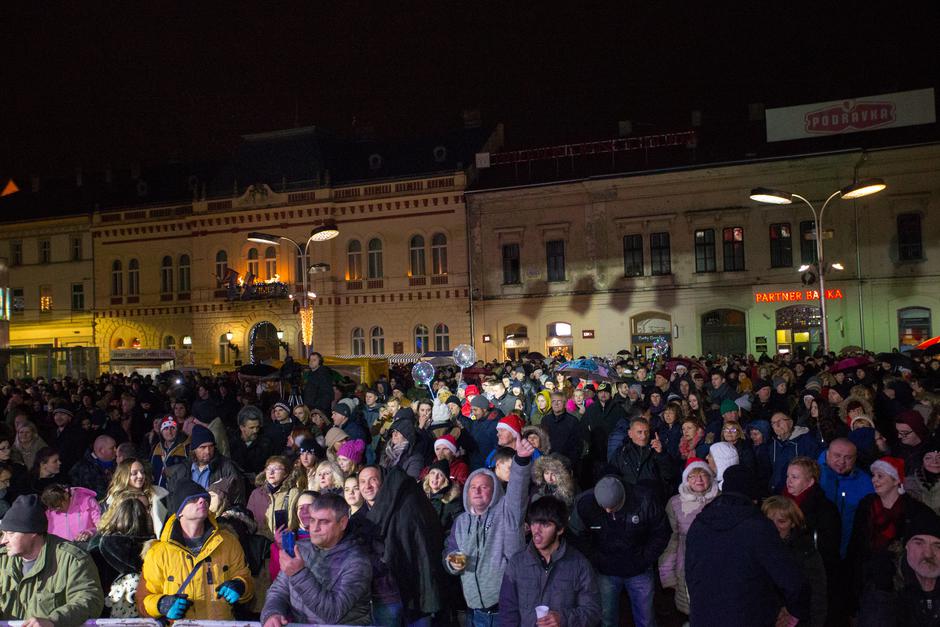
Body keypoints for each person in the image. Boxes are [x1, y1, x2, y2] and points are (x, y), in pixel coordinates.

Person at [686, 465, 809, 627]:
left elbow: (691, 574)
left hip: (704, 616)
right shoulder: (759, 527)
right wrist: (794, 612)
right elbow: (791, 580)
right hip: (749, 617)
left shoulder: (699, 524)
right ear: (754, 497)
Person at [444, 437, 535, 627]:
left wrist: (521, 461)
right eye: (473, 488)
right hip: (475, 612)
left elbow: (518, 489)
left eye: (484, 487)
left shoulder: (507, 512)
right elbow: (450, 552)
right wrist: (452, 562)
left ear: (494, 491)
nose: (477, 491)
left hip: (506, 611)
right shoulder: (460, 522)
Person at [139, 480, 254, 620]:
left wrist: (241, 585)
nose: (202, 501)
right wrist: (161, 604)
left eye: (205, 498)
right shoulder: (158, 552)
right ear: (179, 511)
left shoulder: (228, 542)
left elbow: (247, 581)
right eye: (193, 499)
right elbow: (145, 599)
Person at [569, 475, 669, 627]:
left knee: (646, 618)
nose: (609, 511)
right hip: (605, 571)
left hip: (639, 570)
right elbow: (577, 535)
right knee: (606, 618)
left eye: (614, 507)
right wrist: (596, 559)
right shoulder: (585, 503)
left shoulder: (644, 499)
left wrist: (645, 558)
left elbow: (661, 531)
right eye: (604, 508)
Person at [261, 492, 373, 626]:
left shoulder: (357, 561)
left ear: (342, 523)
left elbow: (333, 613)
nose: (315, 528)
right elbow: (278, 591)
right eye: (313, 520)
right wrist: (273, 613)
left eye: (324, 522)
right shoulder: (300, 549)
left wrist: (298, 574)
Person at [0, 494, 105, 625]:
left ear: (33, 532)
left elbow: (90, 600)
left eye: (10, 534)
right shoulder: (2, 560)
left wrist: (53, 621)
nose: (3, 541)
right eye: (3, 534)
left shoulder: (72, 559)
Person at [361, 464, 445, 625]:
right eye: (363, 481)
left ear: (384, 481)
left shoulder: (402, 506)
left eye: (372, 480)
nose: (367, 486)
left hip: (398, 595)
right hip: (416, 594)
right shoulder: (415, 501)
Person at [498, 496, 601, 627]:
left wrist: (563, 619)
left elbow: (592, 612)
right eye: (534, 523)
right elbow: (508, 611)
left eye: (545, 525)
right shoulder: (517, 563)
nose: (537, 531)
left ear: (560, 529)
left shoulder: (579, 564)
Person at [848, 455, 934, 612]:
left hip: (901, 587)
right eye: (874, 476)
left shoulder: (916, 512)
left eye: (881, 476)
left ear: (896, 480)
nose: (875, 480)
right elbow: (856, 546)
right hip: (869, 583)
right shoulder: (867, 506)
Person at [659, 458, 718, 618]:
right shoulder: (675, 503)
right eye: (693, 476)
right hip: (686, 568)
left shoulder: (721, 500)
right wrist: (667, 575)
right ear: (686, 479)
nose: (698, 479)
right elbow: (671, 542)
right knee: (692, 614)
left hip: (718, 567)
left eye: (703, 475)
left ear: (710, 476)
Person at [762, 496, 828, 627]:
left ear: (792, 523)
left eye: (781, 521)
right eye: (769, 521)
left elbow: (817, 595)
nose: (775, 527)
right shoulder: (755, 548)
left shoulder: (806, 552)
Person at [93, 494, 156, 618]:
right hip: (146, 610)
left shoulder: (99, 546)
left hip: (107, 609)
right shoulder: (154, 548)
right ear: (145, 518)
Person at [818, 438, 874, 557]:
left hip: (848, 550)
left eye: (848, 458)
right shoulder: (813, 472)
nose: (842, 462)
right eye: (837, 456)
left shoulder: (865, 482)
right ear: (827, 453)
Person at [165, 425, 245, 505]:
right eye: (203, 447)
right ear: (194, 449)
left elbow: (238, 499)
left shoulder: (226, 467)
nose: (207, 451)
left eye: (211, 446)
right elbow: (171, 498)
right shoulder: (182, 470)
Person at [104, 457, 169, 538]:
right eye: (134, 473)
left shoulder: (159, 494)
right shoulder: (117, 500)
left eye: (142, 472)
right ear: (124, 476)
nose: (140, 476)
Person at [769, 411, 821, 493]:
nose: (777, 425)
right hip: (778, 492)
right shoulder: (773, 445)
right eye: (773, 423)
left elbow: (814, 469)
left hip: (800, 493)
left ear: (790, 422)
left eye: (780, 421)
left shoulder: (807, 441)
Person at [229, 405, 275, 477]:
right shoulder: (231, 442)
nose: (255, 431)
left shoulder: (266, 443)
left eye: (257, 427)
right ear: (242, 427)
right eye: (251, 427)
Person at [541, 391, 583, 466]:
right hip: (548, 462)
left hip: (566, 463)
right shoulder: (545, 420)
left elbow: (578, 445)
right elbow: (542, 442)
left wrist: (570, 462)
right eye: (553, 401)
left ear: (565, 403)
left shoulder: (573, 421)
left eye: (559, 401)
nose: (556, 404)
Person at [69, 435, 117, 499]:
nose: (115, 450)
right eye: (112, 448)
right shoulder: (83, 469)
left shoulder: (117, 462)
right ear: (101, 450)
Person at [423, 459, 464, 533]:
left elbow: (458, 529)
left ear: (445, 480)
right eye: (433, 473)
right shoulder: (419, 493)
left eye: (440, 475)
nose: (435, 478)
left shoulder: (453, 501)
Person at [150, 416, 189, 488]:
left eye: (173, 428)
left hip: (175, 493)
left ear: (177, 430)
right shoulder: (156, 447)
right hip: (157, 493)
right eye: (166, 428)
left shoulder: (186, 447)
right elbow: (150, 469)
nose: (169, 432)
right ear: (161, 431)